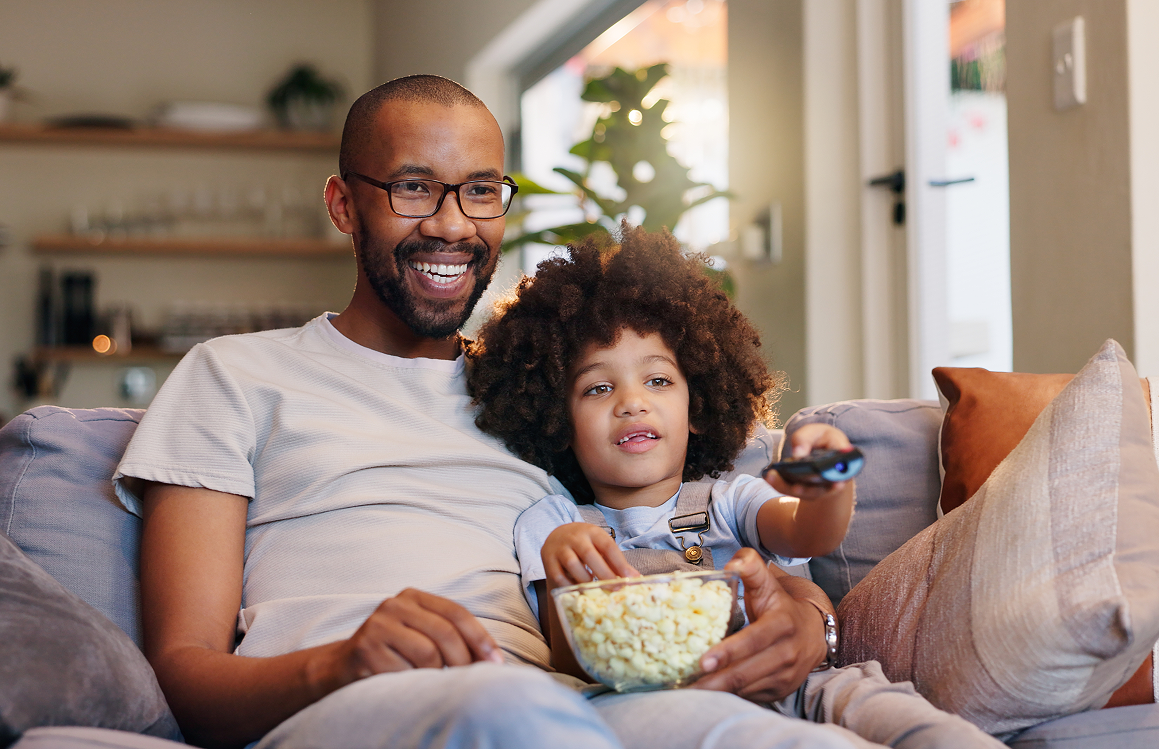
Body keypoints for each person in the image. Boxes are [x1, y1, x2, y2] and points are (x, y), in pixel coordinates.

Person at [116, 74, 875, 749]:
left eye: (479, 190)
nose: (452, 225)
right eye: (413, 187)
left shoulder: (545, 389)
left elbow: (705, 518)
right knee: (504, 706)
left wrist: (810, 620)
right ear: (344, 205)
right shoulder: (235, 374)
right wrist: (339, 661)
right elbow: (184, 676)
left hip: (569, 701)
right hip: (352, 706)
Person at [465, 229, 1004, 749]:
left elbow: (805, 533)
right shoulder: (553, 524)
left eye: (657, 380)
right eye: (599, 387)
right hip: (665, 706)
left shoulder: (728, 498)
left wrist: (827, 486)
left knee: (922, 728)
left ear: (696, 409)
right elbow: (569, 664)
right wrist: (564, 577)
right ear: (558, 422)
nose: (631, 401)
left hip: (803, 684)